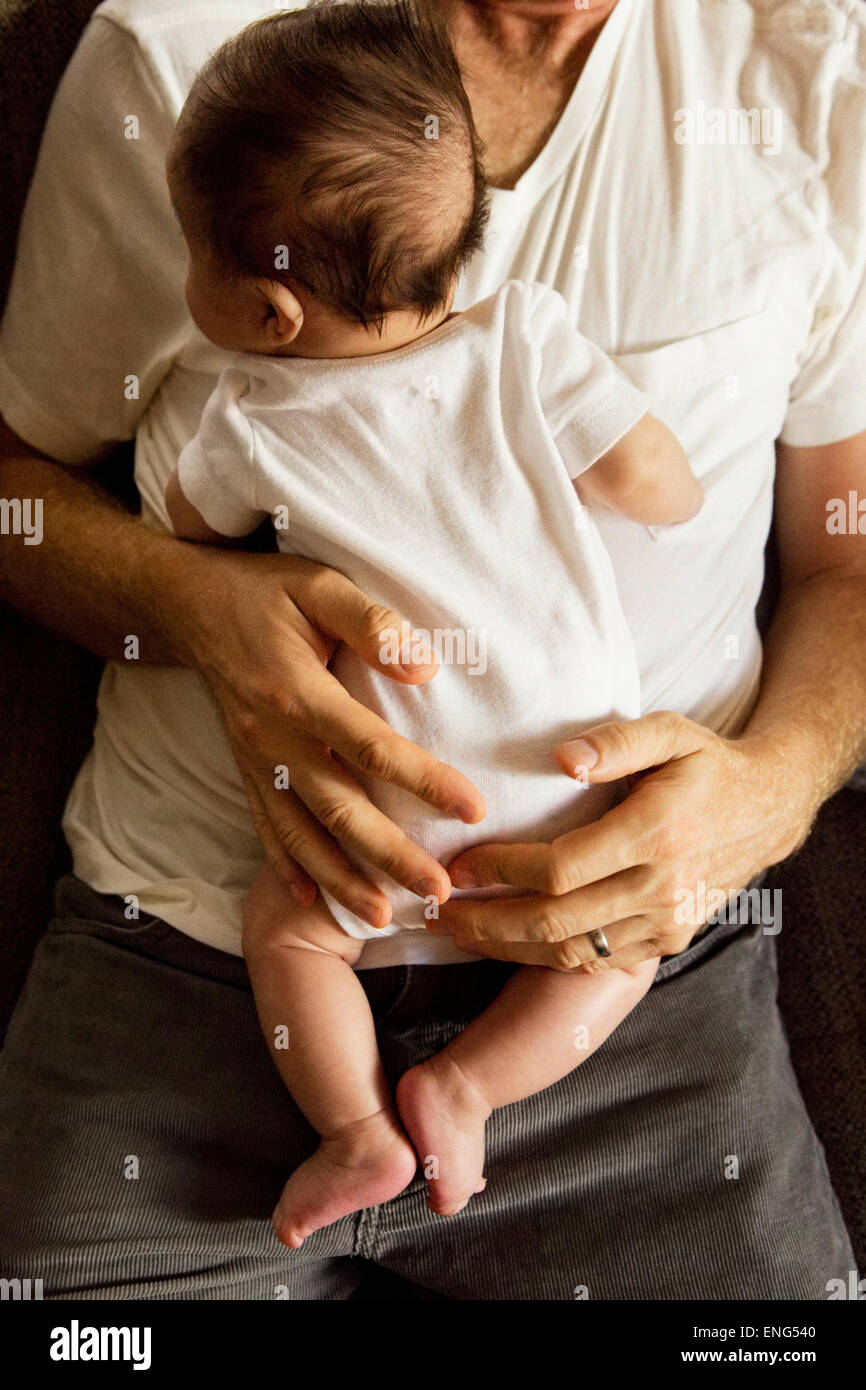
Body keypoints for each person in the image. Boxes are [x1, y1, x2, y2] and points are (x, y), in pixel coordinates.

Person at [0, 0, 862, 1299]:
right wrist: (188, 605)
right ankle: (436, 1101)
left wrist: (767, 792)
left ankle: (364, 1126)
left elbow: (845, 558)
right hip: (178, 985)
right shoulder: (184, 53)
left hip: (638, 984)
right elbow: (17, 490)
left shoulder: (814, 64)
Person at [163, 3, 703, 1244]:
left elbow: (189, 529)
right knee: (618, 953)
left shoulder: (249, 415)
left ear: (267, 313)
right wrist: (660, 478)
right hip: (569, 777)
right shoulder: (523, 339)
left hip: (384, 811)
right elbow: (652, 484)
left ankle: (356, 1128)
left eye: (190, 255)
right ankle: (463, 1088)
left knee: (291, 936)